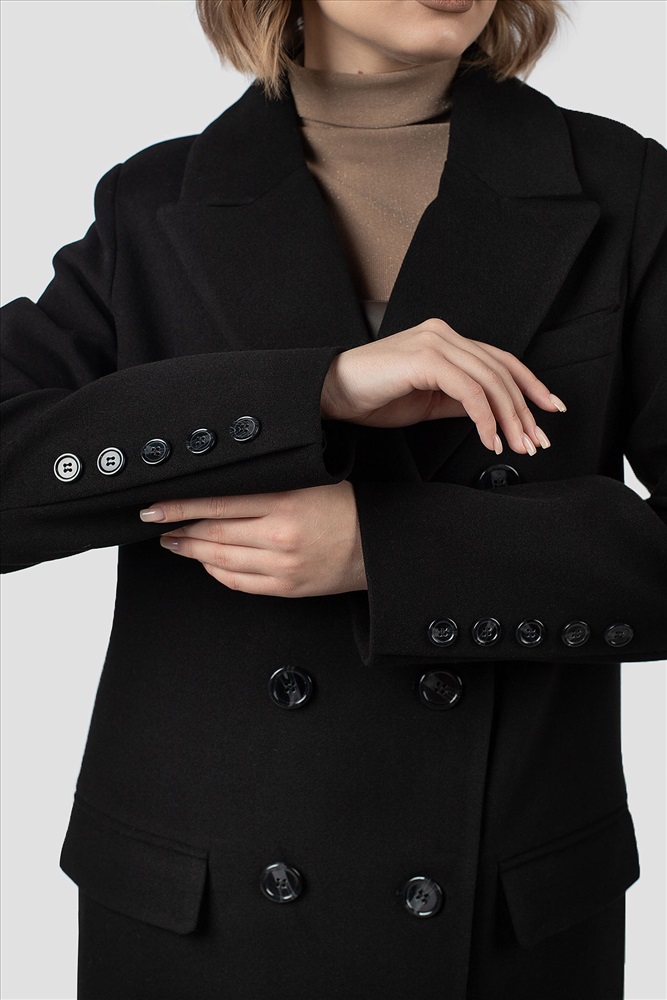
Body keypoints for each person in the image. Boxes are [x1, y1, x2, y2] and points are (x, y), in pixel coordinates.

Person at [1, 0, 666, 997]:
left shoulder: (623, 188)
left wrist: (386, 548)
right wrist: (312, 391)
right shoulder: (155, 201)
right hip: (201, 912)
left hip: (497, 917)